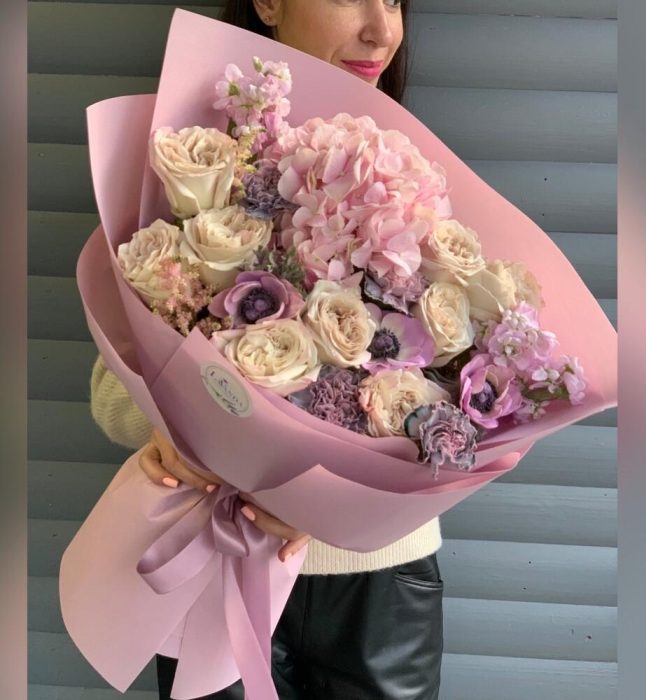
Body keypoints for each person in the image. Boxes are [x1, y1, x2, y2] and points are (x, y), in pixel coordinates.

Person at [90, 1, 444, 697]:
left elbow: (461, 422)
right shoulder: (193, 167)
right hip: (215, 560)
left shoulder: (419, 177)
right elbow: (110, 397)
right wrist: (180, 437)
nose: (381, 30)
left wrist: (324, 505)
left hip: (378, 584)